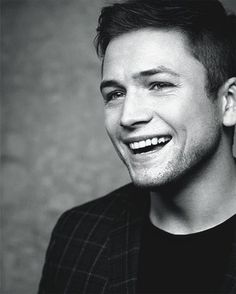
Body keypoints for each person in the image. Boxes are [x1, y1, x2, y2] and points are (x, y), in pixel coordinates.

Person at [38, 0, 236, 293]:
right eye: (115, 93)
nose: (128, 116)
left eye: (158, 85)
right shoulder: (78, 234)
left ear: (228, 102)